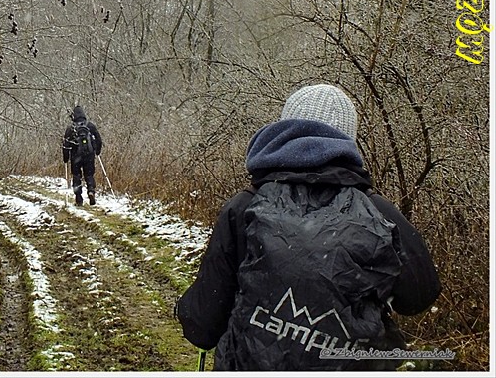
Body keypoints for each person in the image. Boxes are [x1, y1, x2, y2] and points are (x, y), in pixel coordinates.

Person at [176, 84, 441, 371]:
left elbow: (202, 326)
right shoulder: (379, 212)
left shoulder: (244, 208)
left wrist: (186, 310)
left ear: (284, 132)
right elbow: (418, 297)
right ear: (347, 142)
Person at [62, 105, 102, 206]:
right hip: (89, 155)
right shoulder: (90, 125)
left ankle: (78, 198)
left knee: (76, 176)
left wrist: (65, 158)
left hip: (75, 157)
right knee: (89, 175)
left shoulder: (70, 128)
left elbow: (65, 145)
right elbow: (99, 139)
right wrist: (97, 151)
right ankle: (91, 191)